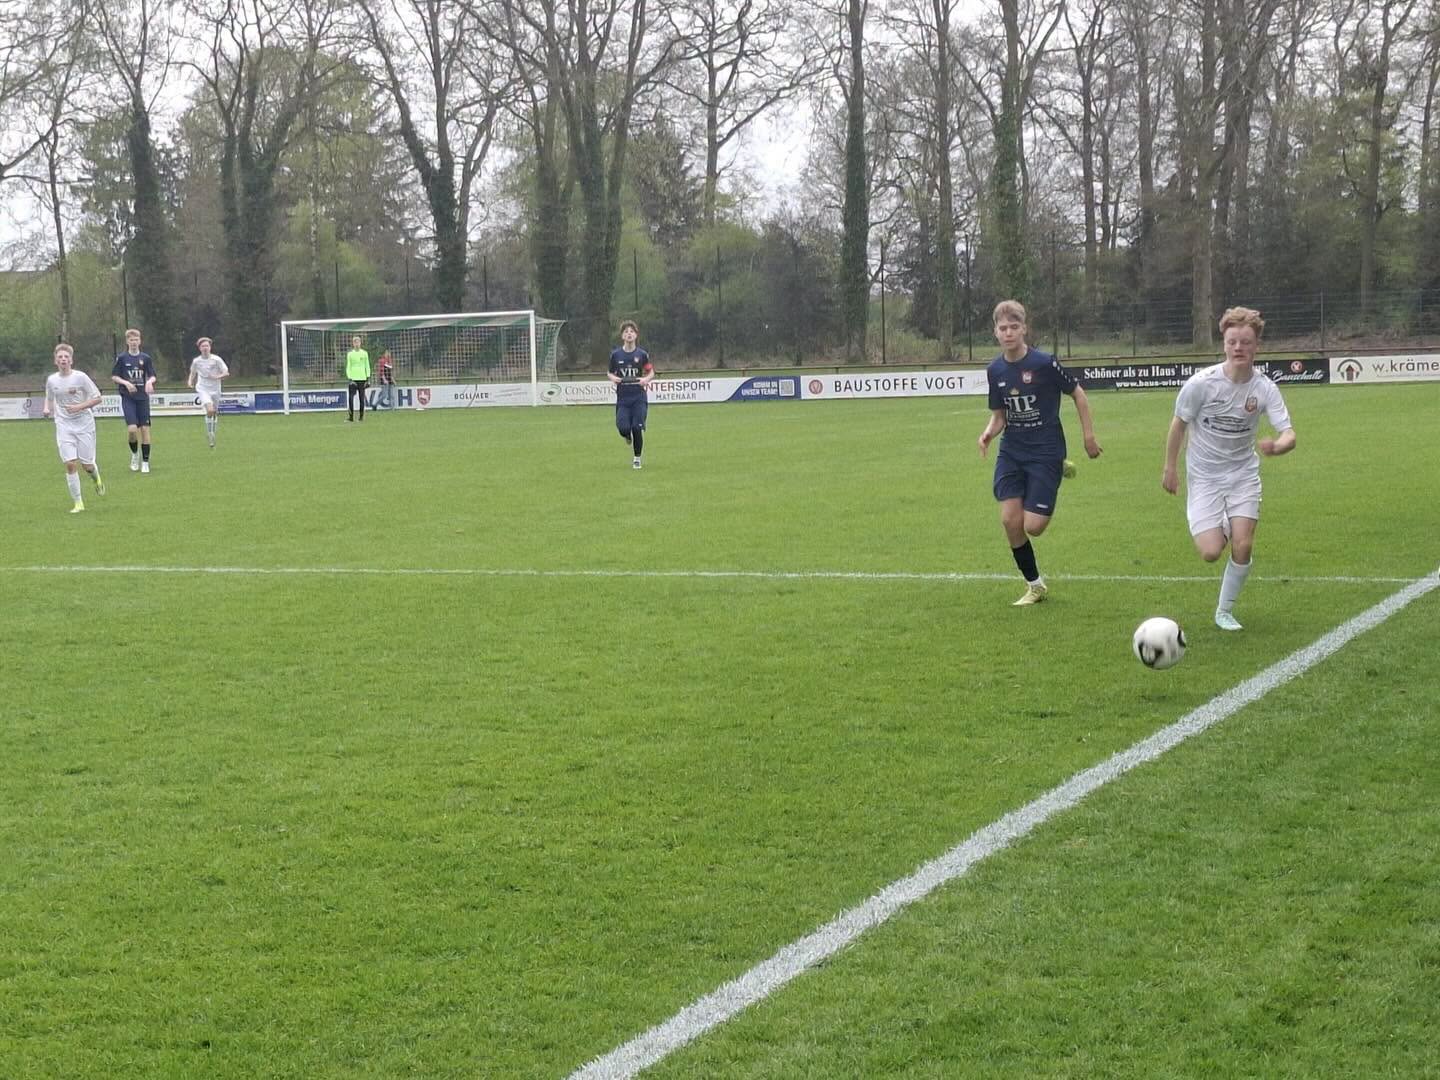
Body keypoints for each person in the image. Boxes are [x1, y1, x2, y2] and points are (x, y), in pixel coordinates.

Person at [1163, 306, 1296, 631]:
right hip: (1204, 477)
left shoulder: (1264, 388)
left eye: (1246, 342)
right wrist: (1170, 468)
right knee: (1210, 552)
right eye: (1233, 341)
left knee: (1243, 544)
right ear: (1224, 343)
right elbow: (1178, 425)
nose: (1239, 348)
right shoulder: (1201, 384)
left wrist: (1278, 446)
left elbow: (1289, 433)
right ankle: (1225, 522)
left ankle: (1224, 610)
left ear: (1256, 346)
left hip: (1242, 474)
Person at [977, 300, 1102, 606]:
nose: (1008, 333)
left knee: (1033, 527)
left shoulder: (1044, 363)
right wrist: (988, 433)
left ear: (1024, 329)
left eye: (1014, 327)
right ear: (995, 332)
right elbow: (999, 416)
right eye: (1003, 328)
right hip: (1012, 451)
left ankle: (1056, 470)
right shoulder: (995, 370)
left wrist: (1088, 436)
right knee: (1010, 520)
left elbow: (1078, 394)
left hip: (1046, 450)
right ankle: (1035, 585)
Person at [43, 343, 106, 513]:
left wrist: (79, 407)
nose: (63, 359)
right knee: (70, 464)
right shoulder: (52, 380)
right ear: (55, 361)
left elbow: (98, 398)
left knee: (87, 465)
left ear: (71, 360)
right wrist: (47, 408)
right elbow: (49, 397)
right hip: (64, 425)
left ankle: (96, 479)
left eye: (66, 357)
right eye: (60, 357)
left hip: (84, 424)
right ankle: (78, 503)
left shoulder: (81, 377)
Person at [607, 320, 654, 469]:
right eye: (626, 332)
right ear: (622, 336)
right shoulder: (615, 355)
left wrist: (646, 379)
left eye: (631, 331)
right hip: (623, 398)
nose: (629, 334)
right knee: (623, 428)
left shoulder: (642, 355)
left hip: (638, 397)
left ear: (636, 335)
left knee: (637, 427)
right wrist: (613, 378)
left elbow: (651, 372)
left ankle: (637, 458)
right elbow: (609, 372)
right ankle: (627, 436)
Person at [112, 327, 157, 473]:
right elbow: (114, 377)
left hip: (142, 398)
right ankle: (135, 454)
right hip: (128, 398)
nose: (134, 342)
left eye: (136, 339)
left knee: (144, 429)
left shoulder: (146, 358)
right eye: (131, 340)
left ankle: (145, 462)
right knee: (132, 430)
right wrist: (126, 383)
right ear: (127, 341)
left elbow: (152, 375)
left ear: (140, 341)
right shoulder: (122, 358)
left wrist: (149, 382)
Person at [187, 337, 230, 448]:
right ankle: (209, 433)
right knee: (209, 410)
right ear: (199, 348)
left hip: (215, 388)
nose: (205, 348)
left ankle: (213, 432)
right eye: (203, 346)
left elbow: (226, 373)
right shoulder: (196, 361)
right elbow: (193, 372)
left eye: (207, 346)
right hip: (203, 388)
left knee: (214, 412)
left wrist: (217, 376)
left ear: (210, 347)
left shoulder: (217, 359)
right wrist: (190, 381)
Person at [345, 334, 371, 421]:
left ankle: (361, 417)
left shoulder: (364, 353)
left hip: (362, 379)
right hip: (353, 379)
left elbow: (367, 366)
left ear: (360, 343)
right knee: (351, 398)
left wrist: (368, 377)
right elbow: (348, 366)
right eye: (355, 342)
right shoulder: (350, 354)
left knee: (361, 398)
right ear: (353, 343)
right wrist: (350, 378)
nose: (356, 344)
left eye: (358, 342)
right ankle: (351, 417)